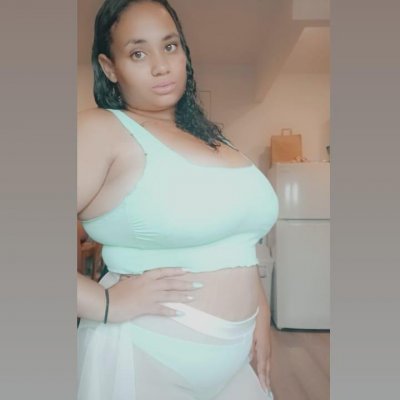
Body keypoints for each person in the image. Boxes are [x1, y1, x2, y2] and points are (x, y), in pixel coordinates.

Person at [77, 1, 279, 399]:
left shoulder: (212, 137)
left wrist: (261, 312)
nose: (161, 66)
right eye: (138, 53)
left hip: (237, 358)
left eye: (169, 46)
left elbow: (235, 239)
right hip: (146, 355)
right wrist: (105, 303)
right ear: (109, 67)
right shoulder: (101, 129)